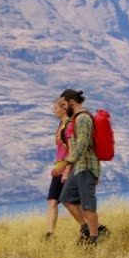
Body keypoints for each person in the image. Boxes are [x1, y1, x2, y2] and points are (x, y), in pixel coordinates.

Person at [57, 89, 109, 245]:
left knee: (88, 205)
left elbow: (82, 145)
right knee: (66, 198)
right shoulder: (76, 119)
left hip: (86, 166)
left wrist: (64, 163)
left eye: (64, 105)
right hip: (78, 166)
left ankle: (93, 240)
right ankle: (87, 229)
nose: (64, 108)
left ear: (72, 102)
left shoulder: (84, 118)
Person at [43, 99, 73, 240]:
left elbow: (72, 152)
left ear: (64, 109)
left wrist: (66, 171)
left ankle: (92, 228)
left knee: (71, 203)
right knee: (52, 201)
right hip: (58, 169)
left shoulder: (68, 126)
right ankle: (49, 234)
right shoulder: (60, 125)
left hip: (66, 169)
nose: (53, 110)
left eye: (55, 108)